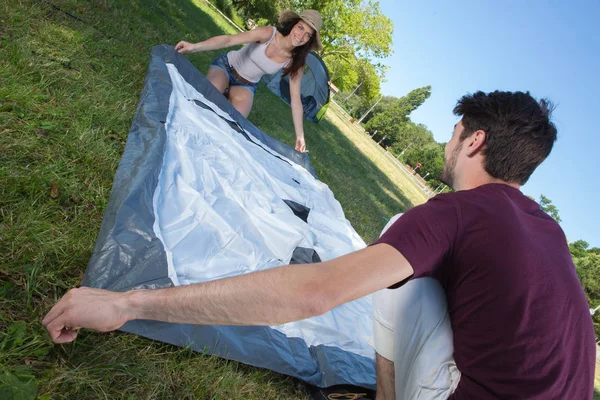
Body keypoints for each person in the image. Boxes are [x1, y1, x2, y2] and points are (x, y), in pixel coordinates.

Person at [43, 91, 595, 399]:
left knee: (403, 277)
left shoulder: (457, 213)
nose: (447, 144)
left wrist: (126, 302)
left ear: (473, 139)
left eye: (453, 135)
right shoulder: (548, 232)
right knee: (424, 279)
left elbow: (314, 294)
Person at [174, 10, 323, 153]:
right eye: (300, 27)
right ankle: (222, 94)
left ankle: (227, 96)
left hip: (246, 85)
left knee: (232, 126)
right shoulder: (269, 34)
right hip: (226, 67)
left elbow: (296, 100)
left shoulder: (296, 62)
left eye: (307, 35)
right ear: (293, 24)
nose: (301, 35)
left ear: (308, 41)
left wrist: (300, 136)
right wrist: (193, 47)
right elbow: (229, 40)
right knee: (205, 99)